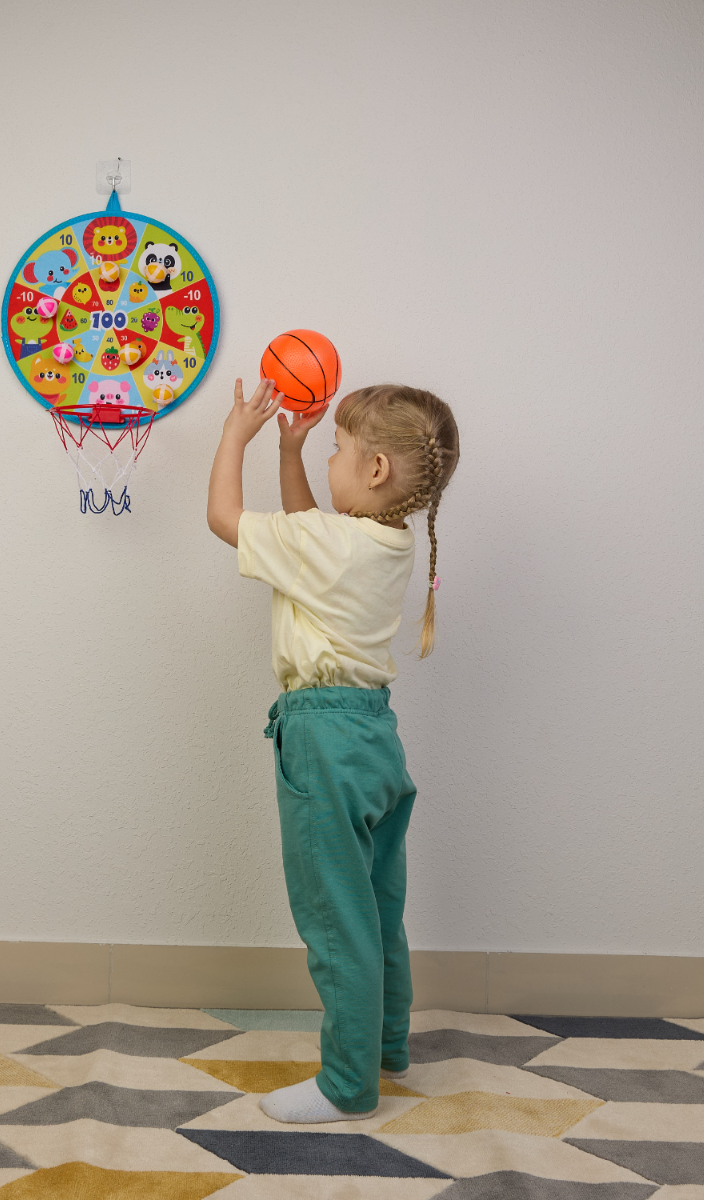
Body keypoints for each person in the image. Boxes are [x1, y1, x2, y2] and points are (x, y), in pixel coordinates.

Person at [207, 377, 460, 1123]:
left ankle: (347, 1085)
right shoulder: (386, 543)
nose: (328, 459)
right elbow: (310, 528)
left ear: (375, 469)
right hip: (373, 738)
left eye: (337, 448)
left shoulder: (335, 544)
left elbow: (223, 518)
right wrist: (292, 452)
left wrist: (236, 435)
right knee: (375, 908)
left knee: (334, 919)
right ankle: (384, 1046)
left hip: (322, 738)